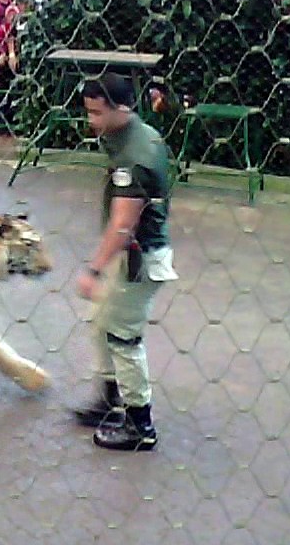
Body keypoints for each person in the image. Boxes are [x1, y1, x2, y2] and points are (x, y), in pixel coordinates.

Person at [72, 72, 178, 452]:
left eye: (97, 113)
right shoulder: (137, 134)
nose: (91, 121)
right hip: (134, 256)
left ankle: (139, 424)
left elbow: (122, 224)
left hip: (140, 260)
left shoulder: (135, 155)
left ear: (122, 107)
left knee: (123, 336)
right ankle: (111, 399)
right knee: (102, 321)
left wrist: (93, 270)